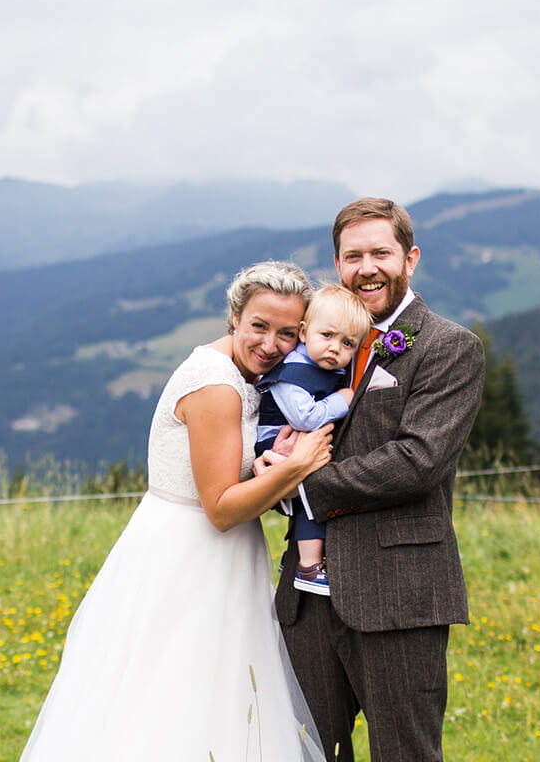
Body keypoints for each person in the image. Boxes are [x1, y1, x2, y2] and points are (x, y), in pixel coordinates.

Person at [18, 260, 333, 762]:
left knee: (221, 688)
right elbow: (221, 508)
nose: (271, 344)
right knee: (177, 689)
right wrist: (296, 467)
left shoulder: (243, 372)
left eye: (287, 333)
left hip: (216, 552)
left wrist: (269, 463)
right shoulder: (216, 385)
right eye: (259, 326)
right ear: (234, 317)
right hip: (192, 555)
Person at [271, 198, 486, 762]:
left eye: (380, 253)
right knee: (309, 752)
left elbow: (419, 459)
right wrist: (264, 471)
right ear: (337, 264)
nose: (367, 267)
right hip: (307, 595)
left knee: (404, 754)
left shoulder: (448, 346)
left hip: (399, 590)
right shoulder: (315, 339)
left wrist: (300, 485)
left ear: (410, 259)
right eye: (352, 255)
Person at [252, 283, 373, 595]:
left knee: (314, 492)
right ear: (304, 332)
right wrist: (343, 400)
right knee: (312, 497)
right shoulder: (292, 370)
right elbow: (303, 417)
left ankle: (296, 559)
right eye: (327, 336)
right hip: (275, 444)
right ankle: (308, 565)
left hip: (300, 441)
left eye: (347, 343)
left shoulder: (318, 365)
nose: (335, 348)